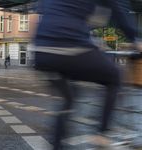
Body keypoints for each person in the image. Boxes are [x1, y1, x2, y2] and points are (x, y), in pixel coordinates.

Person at [34, 0, 141, 149]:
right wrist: (135, 39)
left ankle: (56, 145)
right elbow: (118, 8)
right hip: (69, 46)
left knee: (68, 98)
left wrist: (88, 37)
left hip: (41, 53)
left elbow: (50, 10)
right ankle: (101, 135)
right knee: (114, 76)